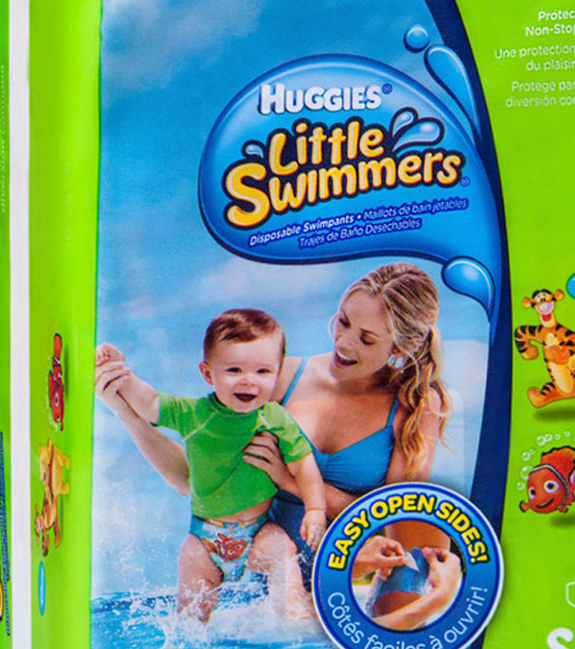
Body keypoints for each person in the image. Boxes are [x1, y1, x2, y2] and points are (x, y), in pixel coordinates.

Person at [95, 263, 455, 628]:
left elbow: (395, 521)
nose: (344, 343)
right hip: (273, 568)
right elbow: (190, 480)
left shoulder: (417, 405)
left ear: (404, 346)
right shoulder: (278, 378)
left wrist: (289, 479)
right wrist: (126, 412)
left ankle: (434, 594)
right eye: (344, 321)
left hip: (358, 561)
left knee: (399, 624)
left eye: (367, 339)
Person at [95, 308, 326, 623]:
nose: (249, 380)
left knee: (283, 553)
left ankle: (294, 623)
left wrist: (315, 510)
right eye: (234, 370)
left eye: (262, 371)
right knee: (191, 616)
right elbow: (150, 403)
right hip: (205, 539)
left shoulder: (276, 418)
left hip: (258, 531)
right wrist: (122, 374)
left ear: (277, 373)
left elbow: (304, 465)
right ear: (207, 374)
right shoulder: (195, 414)